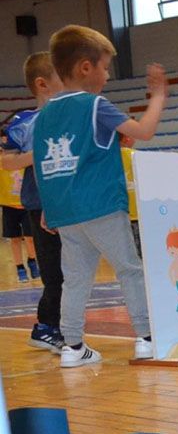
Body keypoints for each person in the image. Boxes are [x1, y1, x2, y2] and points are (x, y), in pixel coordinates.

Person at [32, 25, 166, 367]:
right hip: (102, 206)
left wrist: (49, 207)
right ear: (85, 68)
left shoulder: (44, 113)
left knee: (75, 279)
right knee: (130, 270)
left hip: (66, 212)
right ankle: (147, 338)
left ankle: (72, 346)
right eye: (105, 67)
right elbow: (145, 131)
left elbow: (44, 162)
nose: (107, 75)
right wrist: (158, 98)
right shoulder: (95, 105)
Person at [0, 53, 64, 350]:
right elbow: (6, 161)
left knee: (74, 269)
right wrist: (38, 154)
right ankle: (47, 325)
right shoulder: (23, 123)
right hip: (40, 204)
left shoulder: (69, 116)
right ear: (42, 84)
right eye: (62, 77)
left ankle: (66, 325)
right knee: (54, 271)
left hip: (71, 202)